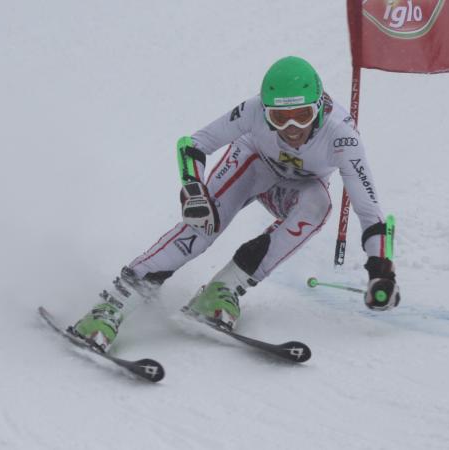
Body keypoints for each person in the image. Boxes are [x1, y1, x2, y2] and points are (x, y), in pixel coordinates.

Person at [72, 56, 400, 352]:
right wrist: (194, 189)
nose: (292, 129)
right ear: (265, 110)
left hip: (297, 188)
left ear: (321, 107)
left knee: (319, 203)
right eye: (280, 117)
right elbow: (194, 144)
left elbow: (368, 211)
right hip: (252, 166)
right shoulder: (253, 109)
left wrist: (380, 269)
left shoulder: (342, 134)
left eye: (302, 116)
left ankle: (221, 291)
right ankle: (111, 307)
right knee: (201, 229)